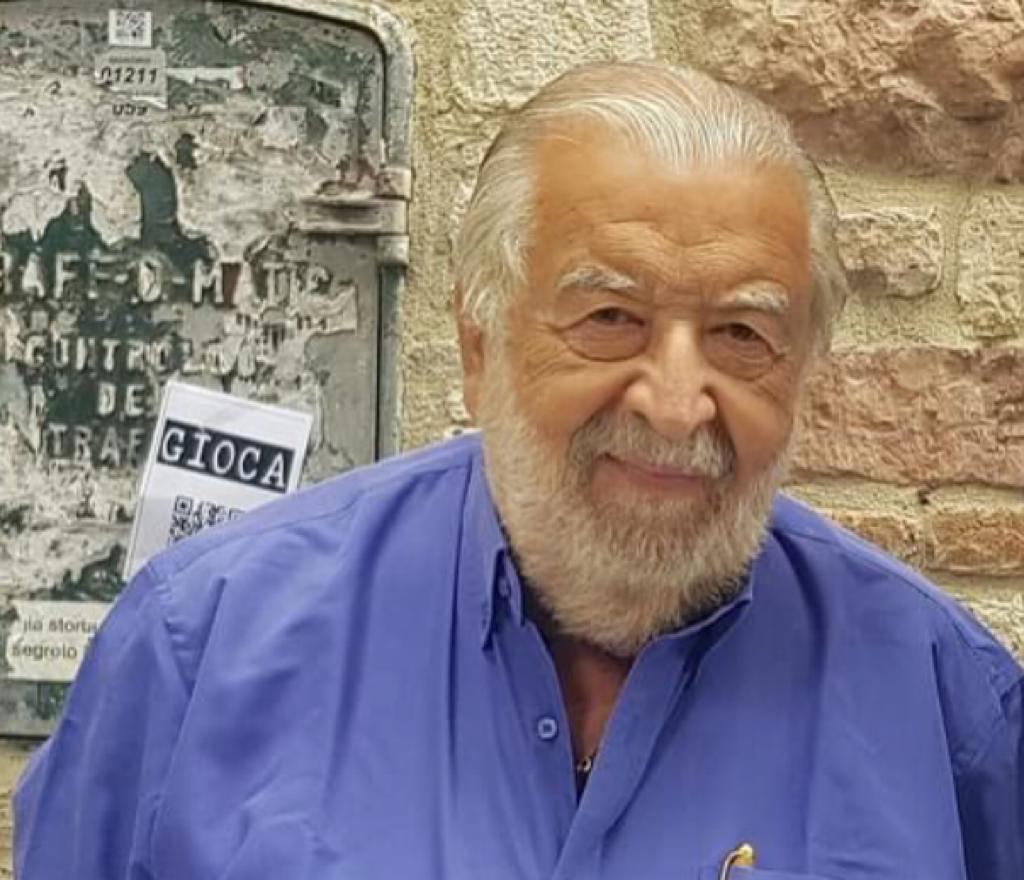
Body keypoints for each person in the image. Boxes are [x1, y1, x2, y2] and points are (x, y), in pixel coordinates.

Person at [14, 61, 1023, 879]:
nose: (677, 403)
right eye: (609, 318)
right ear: (479, 343)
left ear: (803, 371)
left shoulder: (949, 710)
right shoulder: (202, 646)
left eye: (741, 334)